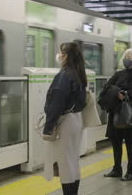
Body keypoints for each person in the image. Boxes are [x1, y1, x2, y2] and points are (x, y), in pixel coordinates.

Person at [43, 42, 87, 195]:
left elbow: (57, 102)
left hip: (66, 122)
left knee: (65, 164)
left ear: (66, 56)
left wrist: (48, 127)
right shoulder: (78, 73)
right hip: (76, 119)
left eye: (60, 52)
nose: (58, 55)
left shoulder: (64, 75)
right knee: (73, 160)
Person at [102, 49, 132, 181]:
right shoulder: (118, 73)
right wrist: (119, 91)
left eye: (130, 56)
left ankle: (131, 172)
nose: (127, 58)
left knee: (130, 143)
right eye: (125, 56)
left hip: (129, 112)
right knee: (116, 141)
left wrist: (119, 92)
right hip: (115, 111)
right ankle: (117, 169)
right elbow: (106, 87)